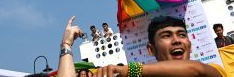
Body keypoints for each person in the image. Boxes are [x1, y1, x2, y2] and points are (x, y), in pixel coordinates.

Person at [95, 16, 226, 77]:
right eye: (166, 36)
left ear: (190, 46)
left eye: (181, 35)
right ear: (151, 50)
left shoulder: (212, 69)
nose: (176, 41)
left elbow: (197, 69)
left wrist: (129, 70)